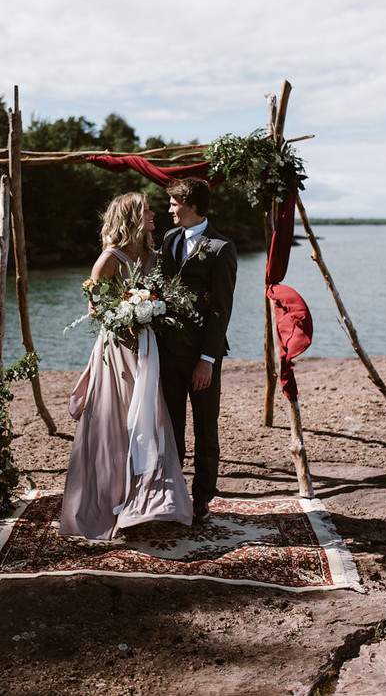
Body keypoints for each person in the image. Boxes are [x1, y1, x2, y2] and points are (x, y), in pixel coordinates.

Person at [60, 192, 193, 540]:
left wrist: (154, 312)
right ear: (132, 216)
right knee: (115, 423)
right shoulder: (108, 260)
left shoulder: (153, 256)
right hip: (118, 351)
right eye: (147, 209)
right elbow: (96, 309)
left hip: (148, 350)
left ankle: (150, 502)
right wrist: (127, 316)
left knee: (151, 419)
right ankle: (108, 502)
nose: (153, 213)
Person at [158, 177, 237, 523]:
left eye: (175, 204)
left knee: (205, 428)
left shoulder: (221, 248)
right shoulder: (169, 239)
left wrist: (207, 359)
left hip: (202, 356)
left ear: (191, 205)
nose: (170, 209)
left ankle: (203, 497)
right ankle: (173, 494)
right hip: (167, 353)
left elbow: (221, 309)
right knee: (171, 427)